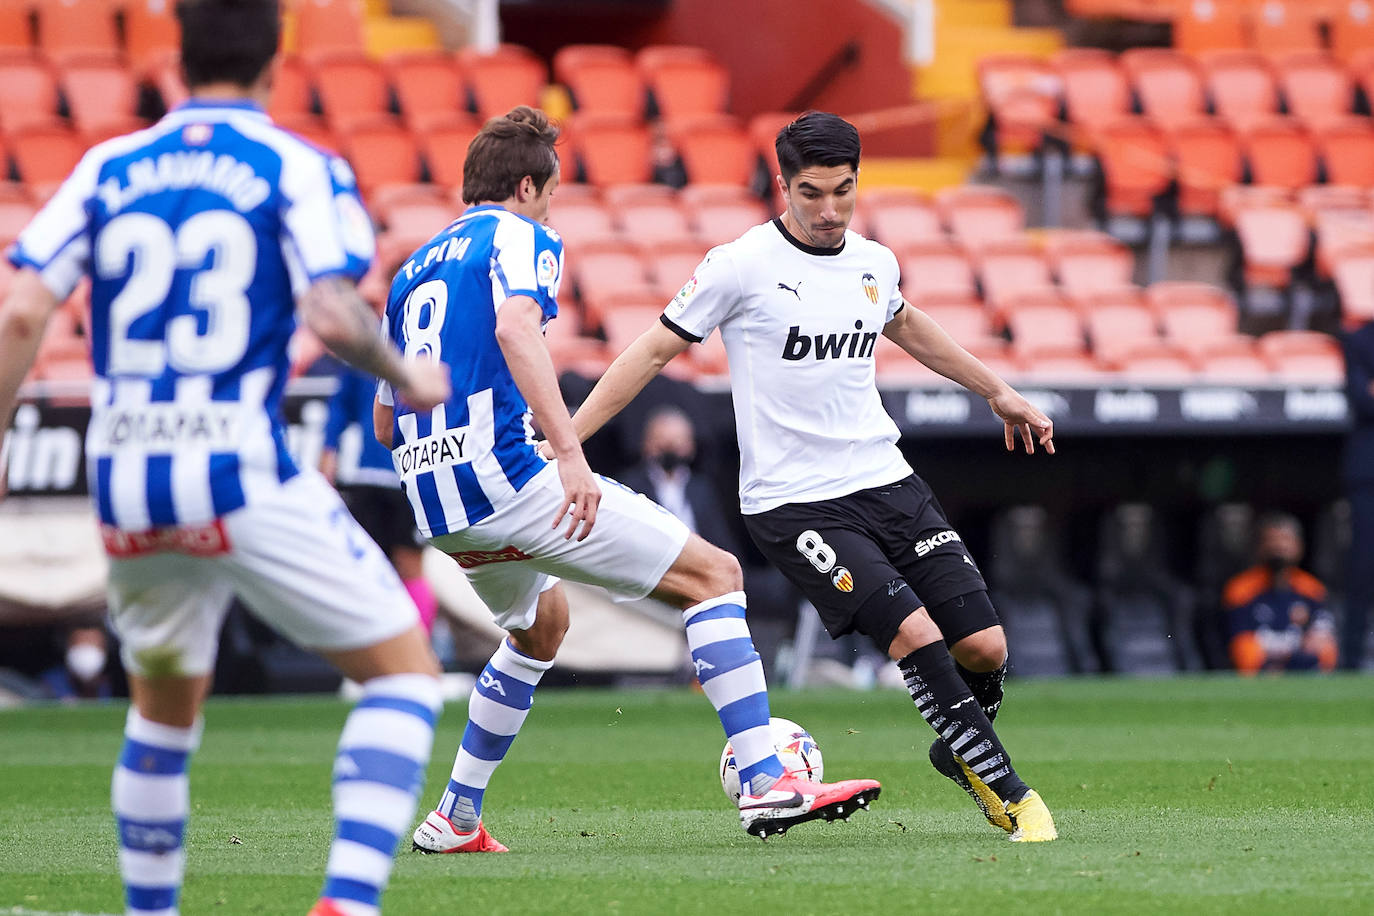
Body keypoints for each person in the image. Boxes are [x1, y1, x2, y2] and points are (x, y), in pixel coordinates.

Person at [0, 1, 454, 913]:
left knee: (163, 712)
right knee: (405, 677)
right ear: (273, 61)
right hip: (235, 462)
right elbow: (331, 314)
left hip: (125, 473)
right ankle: (348, 902)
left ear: (176, 57)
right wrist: (408, 372)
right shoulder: (298, 165)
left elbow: (19, 312)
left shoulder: (105, 165)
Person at [377, 106, 880, 854]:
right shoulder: (518, 237)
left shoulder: (410, 270)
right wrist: (569, 453)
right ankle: (768, 779)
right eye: (550, 192)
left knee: (542, 626)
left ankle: (454, 816)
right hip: (511, 479)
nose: (552, 206)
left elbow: (387, 421)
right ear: (525, 186)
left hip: (440, 501)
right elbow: (518, 328)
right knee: (714, 574)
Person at [553, 111, 1058, 842]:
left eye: (843, 193)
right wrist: (568, 439)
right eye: (812, 193)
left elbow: (906, 323)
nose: (828, 211)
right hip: (794, 502)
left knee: (985, 648)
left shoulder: (874, 262)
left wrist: (995, 391)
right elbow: (652, 352)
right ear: (783, 186)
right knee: (913, 633)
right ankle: (1010, 793)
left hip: (885, 478)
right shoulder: (741, 264)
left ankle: (959, 749)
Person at [321, 363, 437, 633]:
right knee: (367, 566)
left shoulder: (423, 333)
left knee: (407, 565)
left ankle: (416, 656)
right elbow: (341, 402)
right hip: (368, 474)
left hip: (409, 471)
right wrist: (328, 449)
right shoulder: (360, 339)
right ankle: (375, 650)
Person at [618, 405, 742, 556]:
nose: (669, 449)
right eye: (662, 442)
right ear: (647, 444)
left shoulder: (703, 488)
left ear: (690, 445)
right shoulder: (629, 487)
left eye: (677, 442)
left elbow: (720, 540)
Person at [1224, 512, 1338, 674]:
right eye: (1271, 540)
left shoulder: (1312, 589)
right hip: (1261, 674)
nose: (1278, 547)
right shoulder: (1241, 588)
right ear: (1260, 547)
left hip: (1303, 671)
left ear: (1299, 546)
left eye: (1285, 540)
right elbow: (1242, 650)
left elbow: (1325, 650)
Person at [1342, 320, 1374, 669]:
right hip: (1368, 473)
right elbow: (1362, 400)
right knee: (1363, 568)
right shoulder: (1359, 339)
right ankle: (1350, 661)